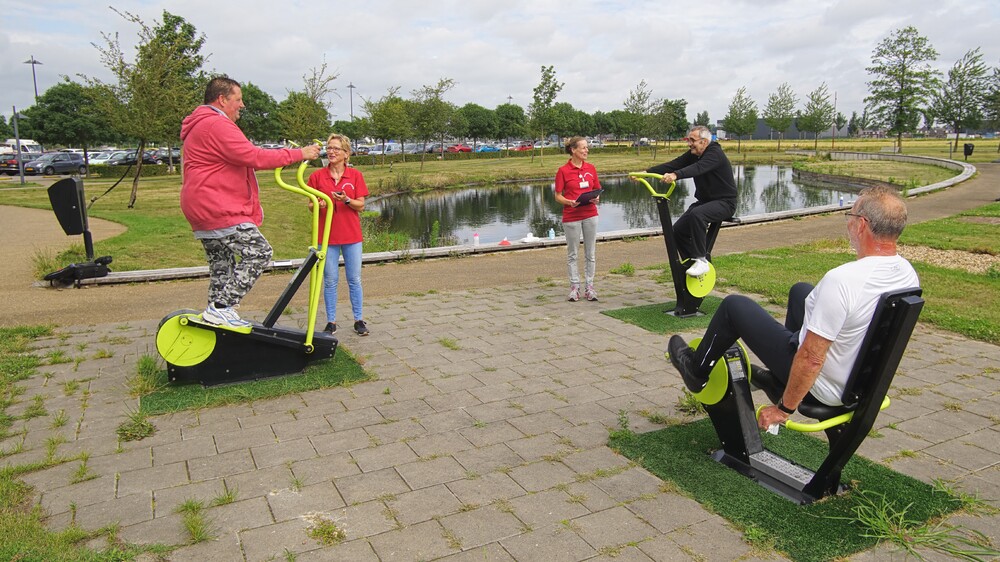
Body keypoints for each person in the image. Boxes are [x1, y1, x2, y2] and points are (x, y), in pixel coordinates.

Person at [667, 186, 919, 430]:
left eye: (850, 216)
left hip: (824, 387)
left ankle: (697, 371)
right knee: (801, 291)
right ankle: (778, 380)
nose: (847, 223)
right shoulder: (908, 274)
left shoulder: (843, 280)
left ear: (862, 225)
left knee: (734, 306)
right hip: (860, 378)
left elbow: (811, 359)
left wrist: (783, 410)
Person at [180, 76, 321, 328]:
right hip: (216, 205)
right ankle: (222, 307)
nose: (242, 105)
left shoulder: (202, 124)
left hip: (200, 205)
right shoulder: (216, 124)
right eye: (238, 100)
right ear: (222, 100)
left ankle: (216, 316)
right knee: (259, 252)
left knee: (222, 265)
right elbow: (253, 156)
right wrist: (300, 153)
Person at [646, 125, 737, 277]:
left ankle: (701, 260)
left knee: (698, 215)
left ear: (704, 142)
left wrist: (676, 175)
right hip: (705, 202)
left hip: (725, 202)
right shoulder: (695, 153)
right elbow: (675, 164)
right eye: (688, 140)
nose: (689, 144)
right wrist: (646, 173)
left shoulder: (714, 153)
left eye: (692, 140)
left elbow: (698, 168)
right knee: (677, 231)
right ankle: (693, 262)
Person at [306, 134, 370, 336]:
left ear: (346, 153)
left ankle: (359, 320)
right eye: (329, 148)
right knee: (330, 280)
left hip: (351, 236)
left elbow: (361, 205)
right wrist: (319, 204)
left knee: (354, 279)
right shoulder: (317, 177)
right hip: (326, 237)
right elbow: (310, 205)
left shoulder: (355, 176)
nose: (331, 152)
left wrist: (347, 201)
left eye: (335, 148)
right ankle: (331, 322)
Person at [554, 136, 602, 302]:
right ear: (573, 150)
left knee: (591, 253)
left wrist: (596, 199)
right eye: (583, 148)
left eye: (587, 148)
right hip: (571, 216)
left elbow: (597, 190)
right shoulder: (563, 171)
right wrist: (568, 202)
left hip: (590, 214)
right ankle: (575, 287)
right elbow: (557, 196)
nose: (586, 150)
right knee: (573, 254)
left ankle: (590, 287)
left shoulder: (591, 168)